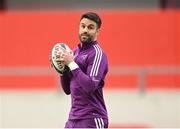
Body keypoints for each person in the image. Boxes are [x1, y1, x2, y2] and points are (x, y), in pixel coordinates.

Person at [58, 12, 109, 128]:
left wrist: (71, 63)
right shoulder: (75, 52)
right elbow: (67, 90)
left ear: (97, 31)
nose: (85, 30)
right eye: (83, 26)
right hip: (73, 118)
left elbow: (90, 86)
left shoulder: (97, 54)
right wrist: (62, 70)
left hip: (92, 119)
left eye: (90, 27)